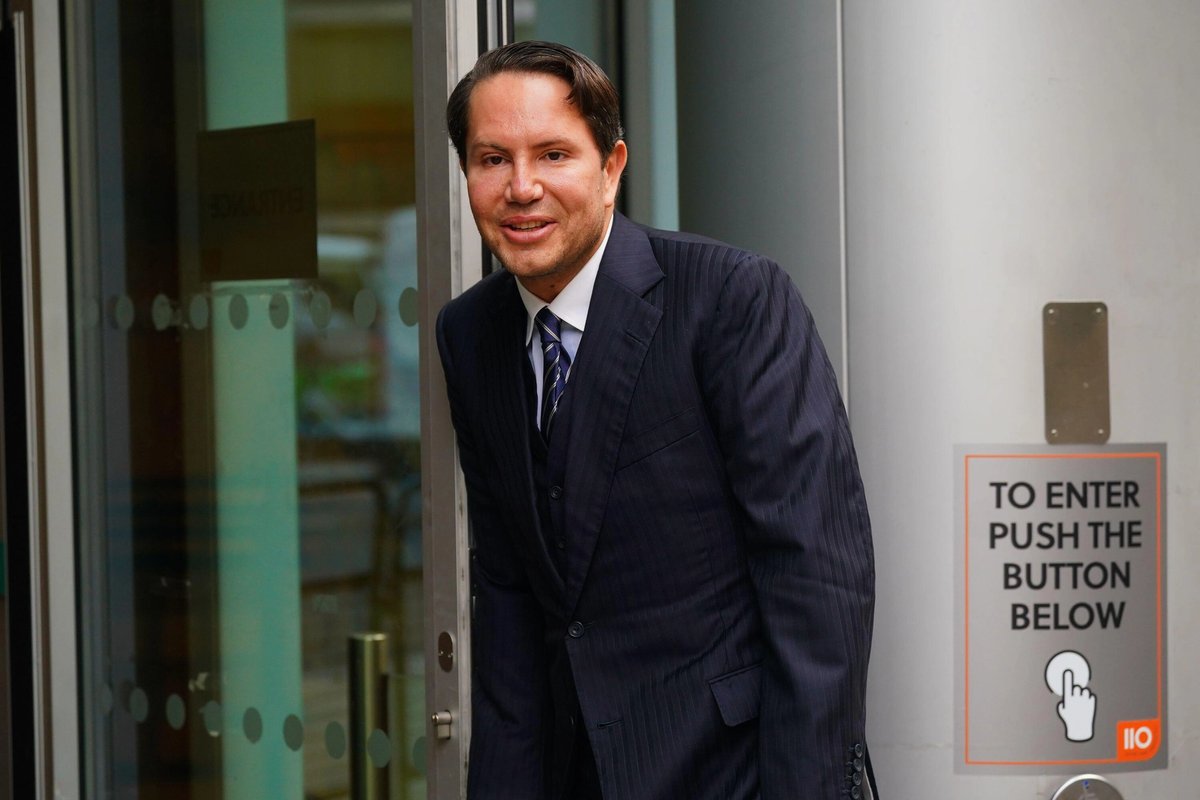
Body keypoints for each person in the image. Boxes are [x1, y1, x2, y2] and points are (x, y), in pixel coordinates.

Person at [436, 40, 878, 800]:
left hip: (732, 772)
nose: (522, 187)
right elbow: (507, 597)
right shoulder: (468, 334)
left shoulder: (732, 298)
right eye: (490, 159)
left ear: (611, 170)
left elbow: (816, 574)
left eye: (553, 154)